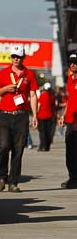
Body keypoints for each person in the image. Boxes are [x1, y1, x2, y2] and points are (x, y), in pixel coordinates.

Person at [0, 45, 38, 192]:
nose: (15, 59)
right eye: (13, 56)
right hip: (5, 115)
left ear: (23, 58)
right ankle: (1, 177)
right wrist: (5, 89)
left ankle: (13, 182)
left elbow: (33, 95)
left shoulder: (29, 74)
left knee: (18, 150)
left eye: (18, 56)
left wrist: (35, 115)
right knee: (3, 146)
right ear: (10, 57)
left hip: (21, 116)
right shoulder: (3, 73)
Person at [58, 53, 77, 189]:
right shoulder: (71, 78)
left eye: (75, 62)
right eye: (71, 62)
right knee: (70, 150)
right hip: (70, 119)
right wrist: (63, 115)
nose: (73, 65)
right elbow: (70, 100)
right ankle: (73, 178)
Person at [37, 82, 56, 151]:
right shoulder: (52, 96)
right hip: (49, 115)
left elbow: (39, 105)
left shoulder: (43, 95)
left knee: (42, 132)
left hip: (41, 115)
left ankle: (42, 145)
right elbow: (53, 105)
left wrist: (36, 113)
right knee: (48, 131)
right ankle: (47, 146)